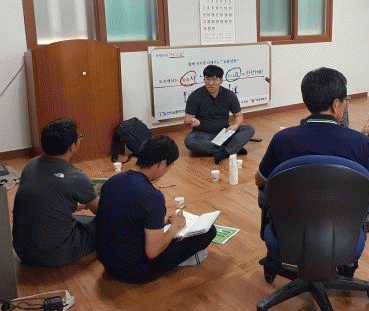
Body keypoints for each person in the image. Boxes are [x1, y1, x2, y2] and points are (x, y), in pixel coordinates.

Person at [256, 67, 369, 276]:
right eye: (345, 101)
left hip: (289, 238)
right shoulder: (358, 142)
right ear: (336, 104)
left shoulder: (283, 139)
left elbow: (261, 180)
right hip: (343, 239)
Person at [95, 135, 216, 283]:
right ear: (162, 164)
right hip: (134, 271)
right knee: (209, 231)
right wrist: (175, 226)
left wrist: (159, 222)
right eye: (170, 165)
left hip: (107, 263)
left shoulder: (113, 181)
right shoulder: (152, 196)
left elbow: (124, 216)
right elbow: (152, 252)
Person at [12, 119, 98, 267]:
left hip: (22, 251)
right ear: (72, 145)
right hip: (56, 254)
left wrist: (77, 206)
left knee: (75, 219)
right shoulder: (75, 177)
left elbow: (46, 199)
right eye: (79, 137)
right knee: (107, 223)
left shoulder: (31, 165)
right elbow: (102, 211)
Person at [184, 65, 255, 164]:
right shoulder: (195, 96)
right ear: (204, 79)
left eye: (214, 80)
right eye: (207, 79)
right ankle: (231, 150)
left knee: (248, 129)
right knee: (190, 141)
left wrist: (235, 126)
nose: (210, 83)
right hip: (203, 135)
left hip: (224, 133)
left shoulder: (229, 95)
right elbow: (187, 119)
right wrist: (192, 121)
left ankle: (223, 151)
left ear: (221, 81)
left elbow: (238, 115)